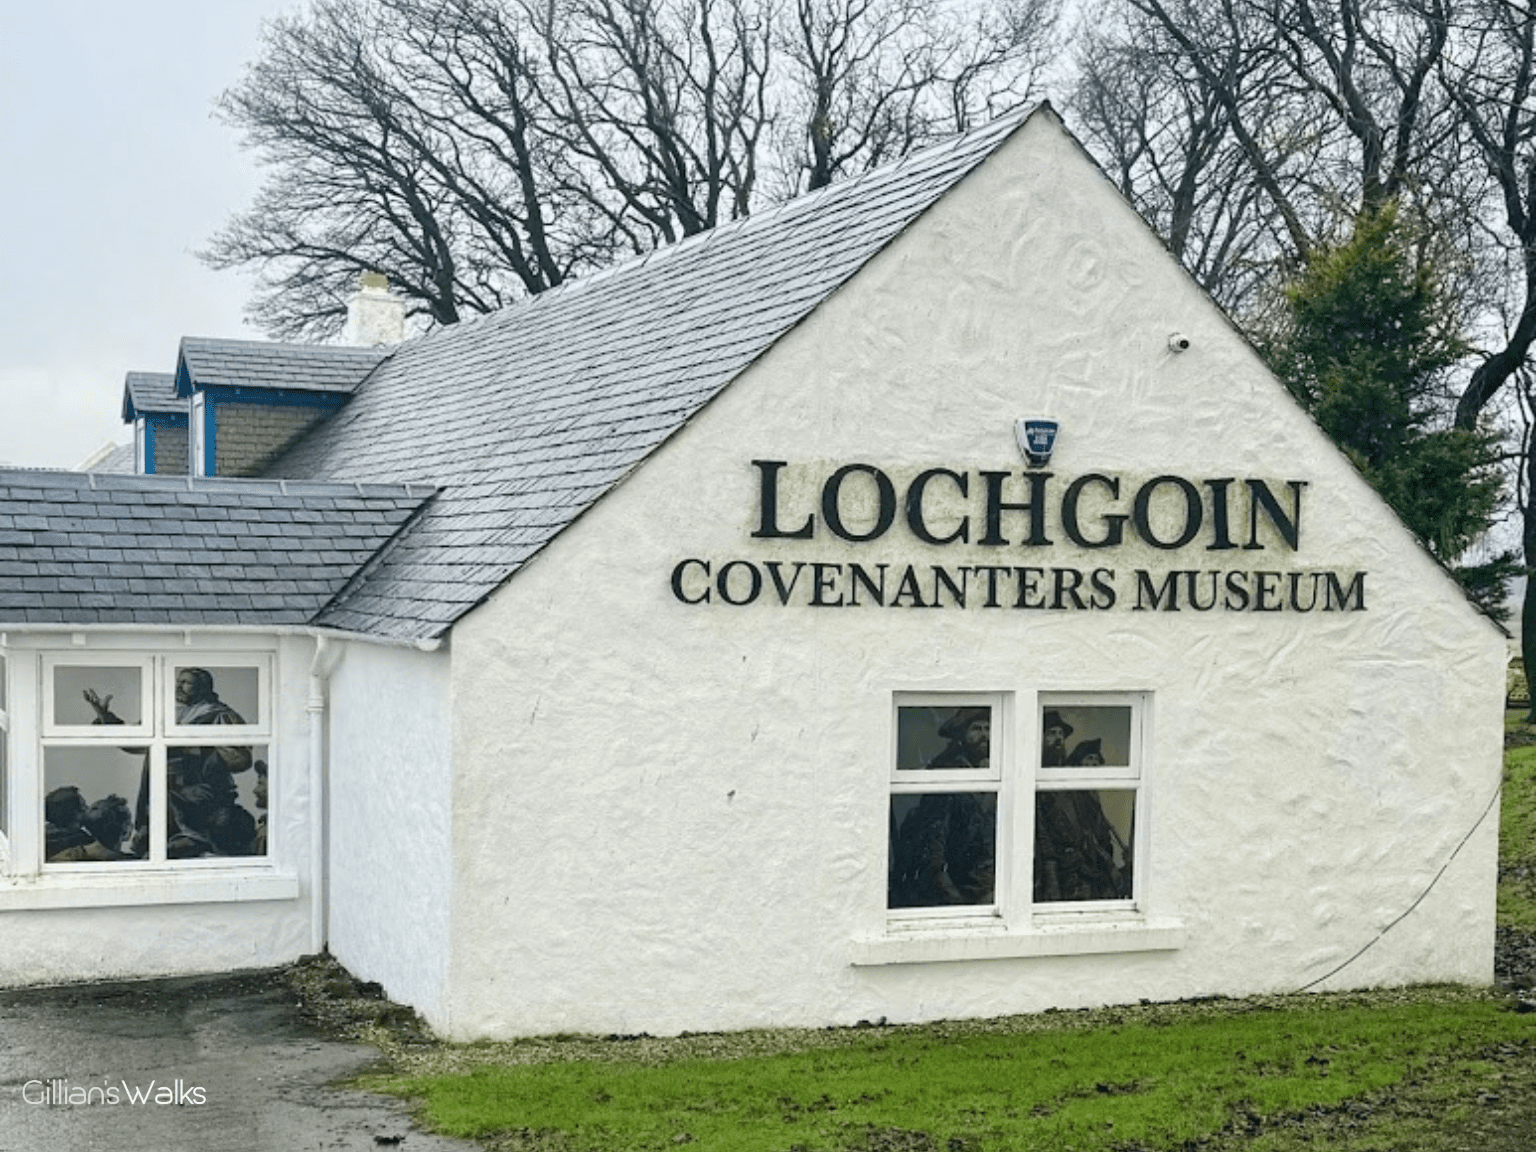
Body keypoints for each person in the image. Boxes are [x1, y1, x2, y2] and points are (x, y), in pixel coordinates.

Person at [85, 668, 253, 858]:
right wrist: (105, 717)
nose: (178, 686)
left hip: (199, 801)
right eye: (178, 681)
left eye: (186, 682)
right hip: (162, 796)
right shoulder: (168, 715)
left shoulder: (220, 715)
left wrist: (204, 744)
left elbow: (242, 760)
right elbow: (135, 742)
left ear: (203, 687)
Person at [890, 708, 996, 907]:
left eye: (988, 728)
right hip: (962, 895)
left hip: (991, 892)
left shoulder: (992, 773)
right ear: (961, 737)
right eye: (976, 728)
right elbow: (932, 856)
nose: (984, 735)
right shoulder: (947, 779)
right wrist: (956, 902)